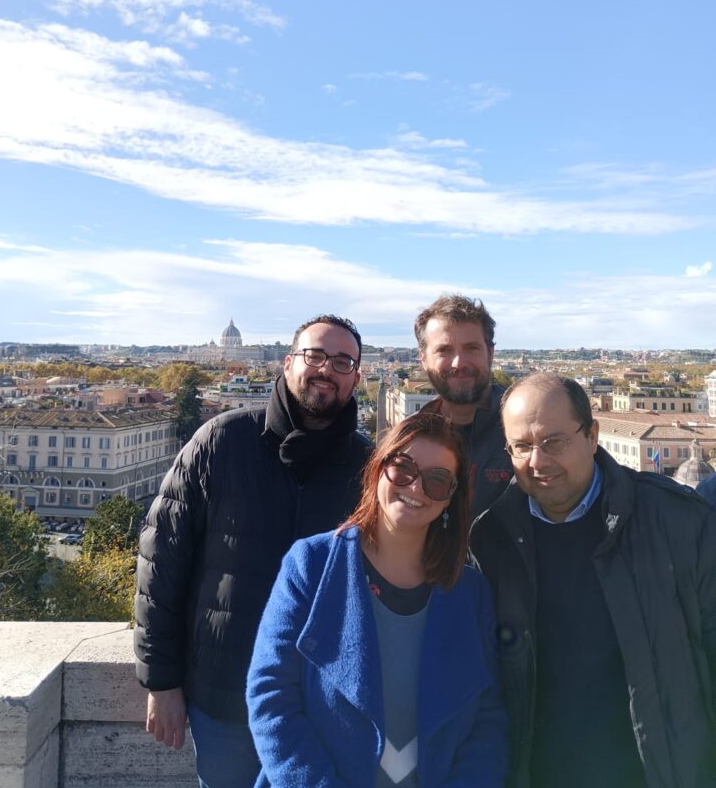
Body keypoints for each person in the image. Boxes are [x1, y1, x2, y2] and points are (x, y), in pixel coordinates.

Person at [134, 315, 371, 788]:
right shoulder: (221, 441)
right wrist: (162, 680)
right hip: (227, 698)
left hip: (328, 701)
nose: (327, 368)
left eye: (342, 361)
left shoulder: (368, 465)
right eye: (315, 355)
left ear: (356, 377)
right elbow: (161, 563)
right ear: (287, 364)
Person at [469, 372, 716, 788]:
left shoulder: (679, 522)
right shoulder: (490, 542)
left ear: (592, 434)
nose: (538, 461)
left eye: (554, 442)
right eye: (522, 447)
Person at [246, 410, 508, 788]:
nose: (416, 487)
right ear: (377, 469)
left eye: (437, 480)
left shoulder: (470, 592)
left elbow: (488, 719)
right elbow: (270, 697)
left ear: (451, 498)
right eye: (403, 468)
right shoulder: (311, 565)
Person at [414, 294, 512, 517]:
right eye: (444, 350)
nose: (459, 363)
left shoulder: (529, 428)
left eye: (471, 348)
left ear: (490, 353)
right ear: (423, 360)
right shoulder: (411, 436)